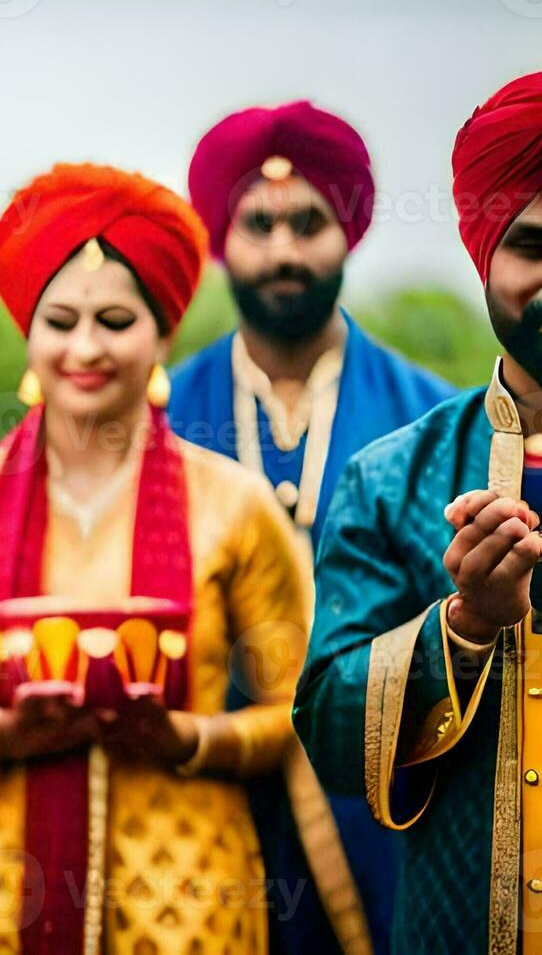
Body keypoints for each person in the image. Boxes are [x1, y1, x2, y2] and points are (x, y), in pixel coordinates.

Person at [0, 162, 310, 952]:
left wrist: (188, 741)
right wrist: (2, 731)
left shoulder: (234, 503)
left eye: (115, 320)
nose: (85, 347)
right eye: (60, 320)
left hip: (190, 899)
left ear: (164, 331)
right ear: (27, 333)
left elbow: (301, 709)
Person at [169, 100, 453, 954]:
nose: (285, 250)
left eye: (309, 222)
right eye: (258, 223)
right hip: (202, 779)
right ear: (222, 240)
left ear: (349, 232)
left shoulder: (431, 420)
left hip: (387, 785)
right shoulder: (165, 416)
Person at [294, 70, 542, 952]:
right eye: (532, 246)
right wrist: (466, 626)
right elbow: (325, 729)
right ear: (485, 261)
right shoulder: (395, 478)